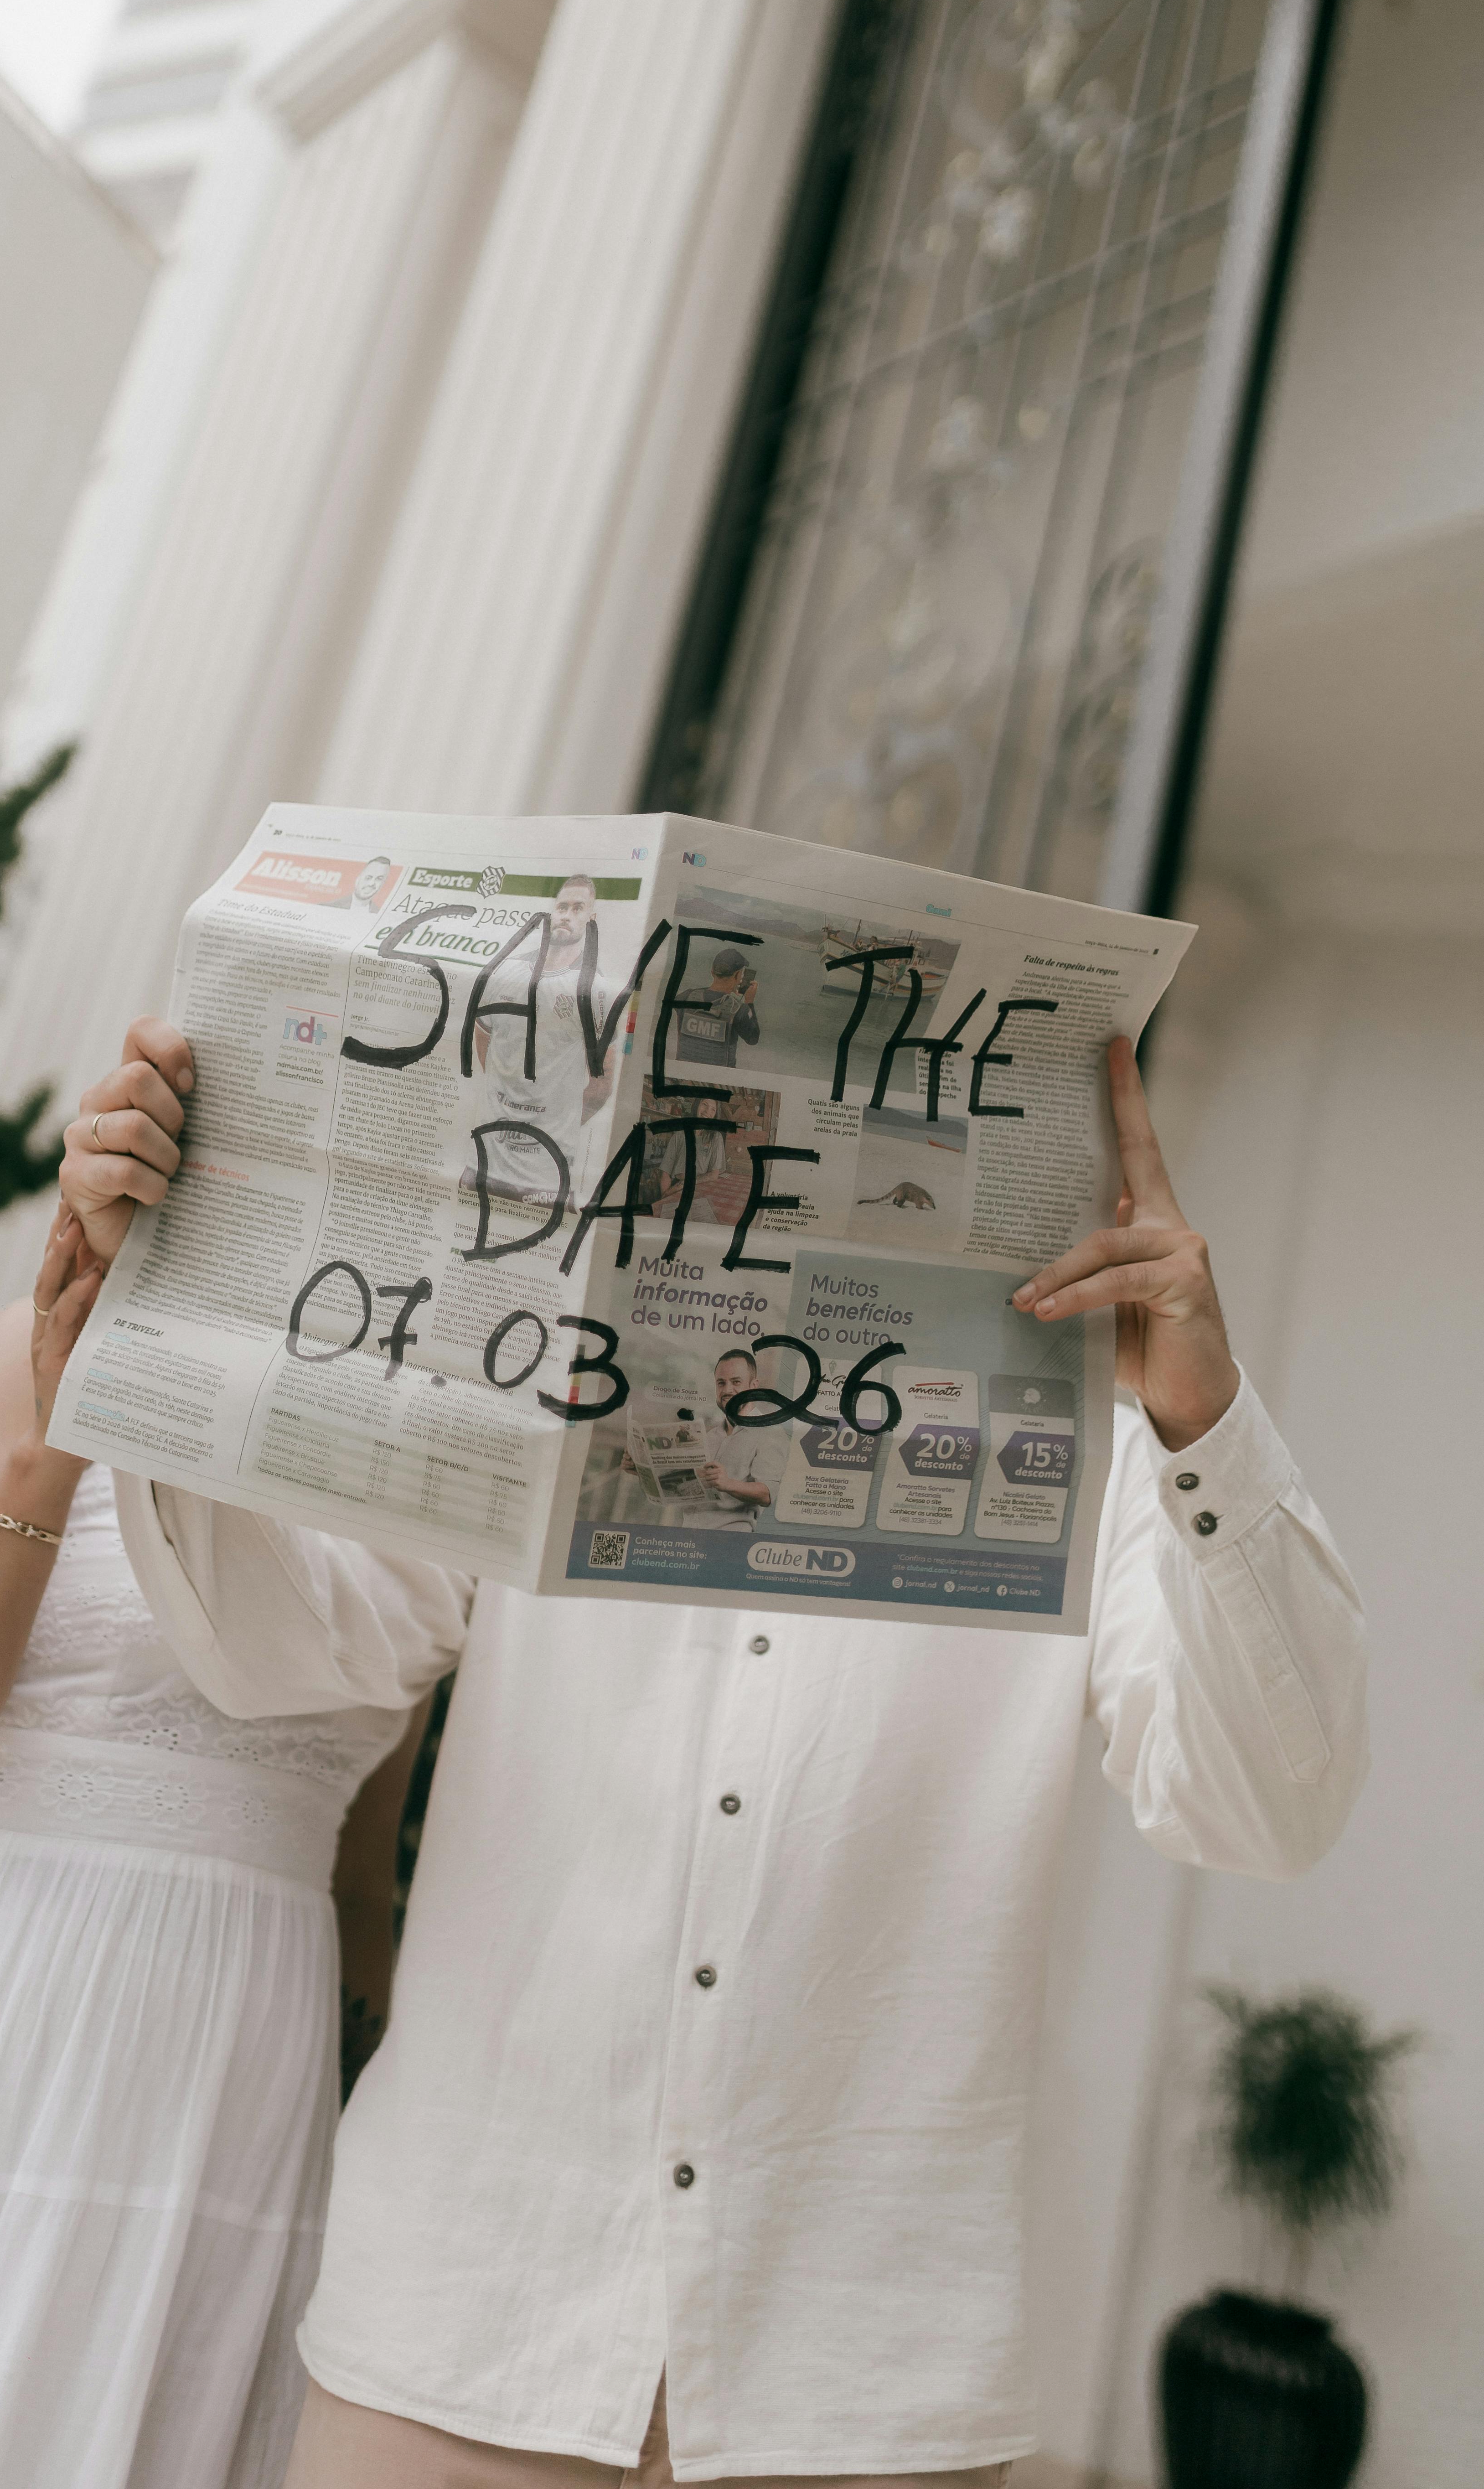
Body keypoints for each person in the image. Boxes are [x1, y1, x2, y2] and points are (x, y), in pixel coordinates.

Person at [67, 1023, 1369, 2489]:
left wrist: (1207, 1424)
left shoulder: (1110, 1457)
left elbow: (1268, 1808)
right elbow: (282, 1645)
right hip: (458, 2336)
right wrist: (167, 1300)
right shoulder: (524, 1372)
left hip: (859, 2385)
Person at [0, 1045, 466, 2489]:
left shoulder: (424, 1477)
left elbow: (361, 1872)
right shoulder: (23, 1348)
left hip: (230, 2092)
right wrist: (62, 1430)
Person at [471, 871, 615, 1207]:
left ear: (591, 919)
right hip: (487, 1159)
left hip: (548, 1172)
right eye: (562, 906)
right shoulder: (506, 971)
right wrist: (506, 1096)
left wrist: (557, 1122)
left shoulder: (597, 989)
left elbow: (602, 1083)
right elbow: (484, 1038)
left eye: (578, 908)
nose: (567, 915)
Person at [683, 1348, 783, 1531]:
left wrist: (727, 1483)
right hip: (688, 1538)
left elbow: (768, 1494)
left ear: (754, 1387)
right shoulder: (708, 1437)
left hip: (728, 1542)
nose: (727, 1390)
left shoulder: (769, 1433)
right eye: (721, 1383)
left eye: (736, 1382)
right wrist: (642, 1471)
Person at [673, 944, 760, 1076]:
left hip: (683, 1073)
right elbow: (753, 1039)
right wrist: (749, 1002)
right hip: (718, 1078)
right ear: (738, 975)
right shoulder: (738, 1009)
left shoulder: (686, 997)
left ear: (712, 972)